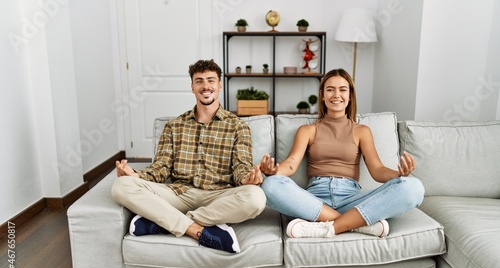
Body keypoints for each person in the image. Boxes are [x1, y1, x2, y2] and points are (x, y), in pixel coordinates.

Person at [111, 59, 266, 253]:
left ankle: (168, 222)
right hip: (179, 194)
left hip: (219, 196)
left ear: (219, 85)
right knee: (121, 186)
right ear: (192, 87)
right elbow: (161, 168)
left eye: (211, 80)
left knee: (256, 198)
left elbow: (240, 167)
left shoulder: (238, 126)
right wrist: (134, 175)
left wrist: (247, 178)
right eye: (199, 81)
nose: (205, 86)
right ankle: (195, 229)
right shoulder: (174, 126)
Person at [259, 68, 424, 238]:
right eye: (330, 90)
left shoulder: (362, 131)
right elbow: (291, 164)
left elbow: (377, 170)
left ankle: (327, 227)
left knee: (414, 187)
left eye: (342, 90)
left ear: (350, 96)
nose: (336, 95)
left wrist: (399, 175)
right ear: (322, 95)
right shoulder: (307, 130)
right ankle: (355, 225)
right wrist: (274, 172)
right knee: (271, 184)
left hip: (352, 201)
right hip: (314, 202)